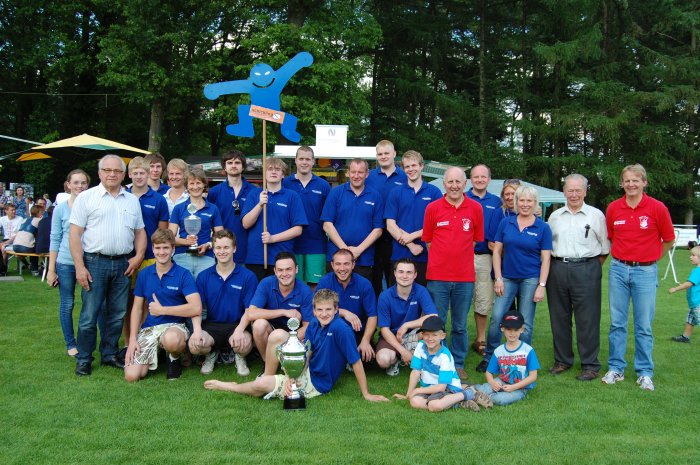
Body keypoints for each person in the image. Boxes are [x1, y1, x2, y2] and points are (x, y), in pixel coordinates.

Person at [203, 289, 389, 403]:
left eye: (328, 309)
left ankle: (229, 386)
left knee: (261, 385)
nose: (324, 314)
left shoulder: (341, 329)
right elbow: (307, 353)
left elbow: (355, 362)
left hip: (318, 383)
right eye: (319, 310)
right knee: (277, 337)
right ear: (313, 311)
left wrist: (366, 393)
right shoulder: (314, 324)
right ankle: (269, 376)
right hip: (305, 371)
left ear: (336, 310)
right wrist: (292, 377)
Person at [70, 154, 146, 376]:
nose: (112, 174)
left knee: (117, 313)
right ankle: (84, 358)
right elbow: (74, 235)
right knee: (89, 314)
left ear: (123, 174)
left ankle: (109, 353)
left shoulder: (131, 200)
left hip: (123, 263)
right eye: (107, 170)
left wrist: (139, 256)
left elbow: (140, 232)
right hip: (94, 262)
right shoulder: (86, 198)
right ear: (99, 173)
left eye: (117, 171)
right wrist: (79, 267)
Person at [603, 164, 675, 391]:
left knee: (643, 325)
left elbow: (669, 240)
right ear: (622, 183)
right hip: (618, 270)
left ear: (644, 182)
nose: (631, 184)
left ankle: (644, 372)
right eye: (627, 180)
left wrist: (650, 259)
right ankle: (616, 368)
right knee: (617, 323)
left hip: (645, 271)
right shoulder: (614, 208)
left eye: (636, 180)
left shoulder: (657, 208)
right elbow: (611, 237)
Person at [477, 185, 551, 373]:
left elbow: (546, 258)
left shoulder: (543, 227)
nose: (525, 204)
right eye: (522, 200)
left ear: (535, 203)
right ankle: (490, 357)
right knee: (497, 317)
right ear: (516, 202)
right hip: (507, 278)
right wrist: (498, 278)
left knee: (526, 321)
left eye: (529, 201)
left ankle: (522, 360)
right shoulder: (506, 223)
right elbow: (496, 252)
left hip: (530, 279)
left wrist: (542, 285)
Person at [422, 166, 484, 380]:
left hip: (464, 277)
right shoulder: (433, 208)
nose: (454, 186)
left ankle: (457, 363)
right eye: (450, 182)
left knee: (459, 325)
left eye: (458, 182)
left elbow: (475, 240)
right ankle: (439, 361)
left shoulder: (475, 208)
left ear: (465, 184)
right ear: (444, 184)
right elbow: (429, 241)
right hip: (437, 276)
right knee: (437, 323)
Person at [546, 174, 609, 381]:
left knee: (587, 319)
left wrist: (587, 267)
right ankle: (562, 360)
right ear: (564, 192)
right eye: (570, 190)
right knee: (559, 317)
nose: (574, 194)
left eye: (578, 190)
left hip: (587, 267)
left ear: (585, 191)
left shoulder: (596, 215)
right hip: (557, 267)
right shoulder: (555, 216)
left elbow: (604, 248)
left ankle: (590, 365)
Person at [124, 229, 202, 381]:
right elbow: (137, 309)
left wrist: (162, 310)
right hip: (150, 328)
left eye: (166, 247)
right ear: (153, 249)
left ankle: (174, 357)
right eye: (158, 248)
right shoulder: (144, 274)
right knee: (132, 376)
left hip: (175, 327)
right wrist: (132, 339)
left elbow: (196, 308)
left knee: (171, 340)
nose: (161, 252)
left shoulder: (183, 274)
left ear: (173, 249)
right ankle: (157, 352)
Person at [189, 230, 258, 376]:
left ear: (234, 248)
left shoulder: (248, 276)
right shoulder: (203, 276)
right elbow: (197, 308)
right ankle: (211, 354)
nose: (222, 251)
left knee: (244, 345)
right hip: (211, 326)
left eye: (226, 247)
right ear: (213, 250)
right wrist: (197, 330)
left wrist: (239, 330)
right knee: (194, 346)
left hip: (237, 325)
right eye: (218, 248)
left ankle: (239, 356)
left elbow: (249, 310)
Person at [395, 315, 492, 412]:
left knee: (434, 405)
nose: (430, 338)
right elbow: (415, 372)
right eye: (426, 334)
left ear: (442, 336)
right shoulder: (420, 346)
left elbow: (441, 387)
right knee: (414, 401)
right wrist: (408, 394)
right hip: (429, 388)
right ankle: (457, 403)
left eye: (434, 335)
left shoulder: (445, 356)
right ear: (422, 334)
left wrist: (418, 390)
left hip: (448, 388)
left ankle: (467, 394)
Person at [247, 252, 314, 376]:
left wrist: (289, 340)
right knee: (258, 325)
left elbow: (308, 325)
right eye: (280, 270)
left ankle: (285, 361)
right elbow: (251, 313)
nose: (284, 274)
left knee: (279, 335)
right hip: (271, 329)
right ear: (275, 271)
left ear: (296, 269)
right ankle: (268, 363)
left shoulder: (305, 291)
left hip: (294, 334)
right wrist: (283, 312)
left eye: (288, 269)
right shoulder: (266, 283)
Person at [242, 157, 307, 282]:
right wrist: (260, 204)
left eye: (277, 169)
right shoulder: (254, 194)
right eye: (270, 169)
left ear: (283, 175)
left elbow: (298, 229)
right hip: (256, 257)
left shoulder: (292, 196)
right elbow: (246, 224)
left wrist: (272, 238)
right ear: (264, 173)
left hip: (282, 258)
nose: (273, 172)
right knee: (257, 292)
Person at [47, 169, 90, 357]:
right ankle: (71, 343)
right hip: (65, 262)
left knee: (91, 304)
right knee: (67, 303)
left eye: (83, 182)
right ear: (68, 184)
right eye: (76, 182)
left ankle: (85, 341)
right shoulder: (61, 209)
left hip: (88, 261)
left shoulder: (91, 206)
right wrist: (51, 269)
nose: (80, 186)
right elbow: (55, 238)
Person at [125, 156, 170, 339]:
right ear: (129, 174)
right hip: (126, 256)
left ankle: (143, 340)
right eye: (135, 173)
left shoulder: (158, 200)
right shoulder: (122, 196)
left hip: (151, 256)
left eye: (142, 173)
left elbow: (162, 232)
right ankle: (128, 342)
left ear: (148, 173)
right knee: (127, 302)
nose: (139, 176)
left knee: (146, 301)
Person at [384, 150, 442, 286]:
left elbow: (438, 224)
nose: (411, 169)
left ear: (421, 166)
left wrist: (412, 236)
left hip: (426, 256)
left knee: (422, 296)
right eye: (407, 166)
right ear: (403, 169)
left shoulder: (434, 192)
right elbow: (390, 225)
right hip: (399, 256)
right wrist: (410, 245)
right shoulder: (396, 192)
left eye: (414, 165)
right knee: (397, 296)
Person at [321, 158, 384, 282]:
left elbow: (378, 230)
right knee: (334, 293)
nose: (356, 176)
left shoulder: (375, 196)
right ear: (348, 173)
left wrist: (358, 250)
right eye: (353, 172)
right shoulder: (336, 193)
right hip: (337, 257)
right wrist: (345, 250)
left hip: (364, 258)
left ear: (367, 174)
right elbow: (327, 224)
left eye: (360, 172)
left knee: (361, 293)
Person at [376, 259, 438, 376]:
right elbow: (384, 329)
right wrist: (403, 351)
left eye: (409, 272)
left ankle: (415, 352)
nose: (404, 276)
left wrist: (407, 325)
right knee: (383, 360)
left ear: (415, 275)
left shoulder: (421, 291)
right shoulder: (385, 296)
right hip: (393, 336)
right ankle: (398, 358)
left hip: (414, 335)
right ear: (395, 273)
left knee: (434, 329)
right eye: (401, 272)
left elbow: (434, 316)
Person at [316, 248, 377, 362]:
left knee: (366, 358)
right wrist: (343, 313)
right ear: (332, 265)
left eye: (346, 264)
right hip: (331, 331)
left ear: (353, 264)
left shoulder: (364, 284)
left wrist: (365, 340)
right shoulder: (325, 282)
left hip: (356, 333)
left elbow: (372, 316)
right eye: (338, 264)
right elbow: (317, 311)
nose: (342, 268)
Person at [466, 164, 502, 356]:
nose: (479, 180)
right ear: (470, 179)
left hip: (485, 257)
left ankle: (480, 339)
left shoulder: (496, 202)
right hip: (462, 256)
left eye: (483, 176)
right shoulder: (462, 197)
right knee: (460, 298)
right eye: (476, 177)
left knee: (483, 298)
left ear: (489, 179)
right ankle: (458, 336)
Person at [283, 146, 330, 288]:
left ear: (313, 161)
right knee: (292, 284)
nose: (304, 162)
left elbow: (328, 216)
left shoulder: (323, 185)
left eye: (308, 159)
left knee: (315, 286)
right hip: (290, 244)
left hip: (316, 244)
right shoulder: (285, 184)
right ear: (295, 160)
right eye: (301, 159)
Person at [473, 311, 540, 406]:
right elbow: (488, 372)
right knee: (483, 388)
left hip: (520, 388)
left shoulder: (528, 350)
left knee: (499, 399)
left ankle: (477, 397)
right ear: (502, 328)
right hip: (501, 381)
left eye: (516, 330)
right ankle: (468, 393)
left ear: (522, 329)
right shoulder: (499, 351)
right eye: (508, 329)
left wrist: (514, 387)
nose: (512, 333)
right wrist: (492, 382)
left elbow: (533, 376)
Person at [367, 140, 407, 296]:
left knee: (395, 276)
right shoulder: (369, 176)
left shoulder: (405, 176)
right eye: (380, 154)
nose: (383, 156)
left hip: (397, 236)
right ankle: (376, 309)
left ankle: (394, 307)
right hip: (374, 234)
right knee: (375, 278)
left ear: (394, 154)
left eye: (386, 153)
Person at [168, 167, 223, 279]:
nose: (195, 187)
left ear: (204, 185)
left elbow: (220, 236)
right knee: (182, 288)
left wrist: (208, 245)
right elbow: (169, 237)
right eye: (191, 183)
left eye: (198, 183)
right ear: (187, 186)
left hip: (206, 258)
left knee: (205, 288)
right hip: (182, 257)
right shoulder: (179, 208)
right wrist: (186, 242)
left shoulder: (213, 209)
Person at [207, 150, 255, 264]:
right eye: (229, 163)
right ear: (224, 167)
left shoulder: (254, 191)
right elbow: (208, 221)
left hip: (248, 247)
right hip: (222, 249)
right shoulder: (214, 192)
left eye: (237, 162)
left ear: (243, 166)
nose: (233, 165)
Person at [669, 245, 700, 343]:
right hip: (694, 303)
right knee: (690, 320)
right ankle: (685, 337)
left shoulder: (697, 271)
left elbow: (689, 283)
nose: (690, 257)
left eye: (693, 255)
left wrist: (675, 289)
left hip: (697, 303)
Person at [11, 204, 43, 275]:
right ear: (38, 213)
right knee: (36, 249)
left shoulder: (24, 219)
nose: (43, 213)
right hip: (25, 247)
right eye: (42, 212)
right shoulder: (39, 220)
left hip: (15, 246)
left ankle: (27, 265)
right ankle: (34, 270)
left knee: (31, 246)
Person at [0, 204, 22, 275]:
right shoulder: (2, 219)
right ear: (6, 211)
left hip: (16, 240)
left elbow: (18, 234)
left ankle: (3, 270)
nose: (14, 211)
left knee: (3, 248)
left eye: (14, 210)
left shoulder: (19, 219)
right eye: (12, 210)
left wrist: (5, 242)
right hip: (5, 239)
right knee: (2, 246)